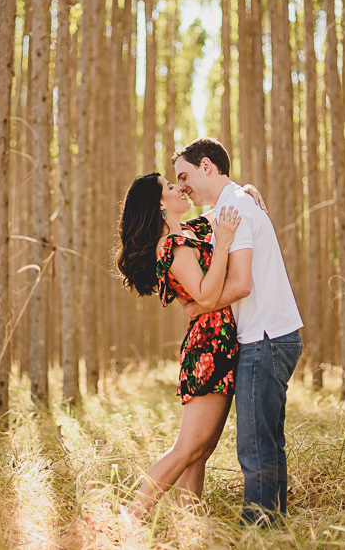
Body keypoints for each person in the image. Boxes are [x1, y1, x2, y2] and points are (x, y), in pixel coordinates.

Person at [173, 137, 304, 526]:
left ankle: (258, 530)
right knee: (268, 441)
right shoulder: (230, 205)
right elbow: (178, 231)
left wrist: (199, 306)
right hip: (273, 335)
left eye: (185, 176)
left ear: (207, 166)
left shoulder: (235, 206)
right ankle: (273, 526)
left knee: (255, 445)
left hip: (264, 338)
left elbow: (242, 283)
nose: (182, 186)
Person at [116, 172, 242, 520]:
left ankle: (189, 527)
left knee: (200, 451)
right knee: (187, 448)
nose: (180, 189)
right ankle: (130, 518)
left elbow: (220, 213)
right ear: (160, 204)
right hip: (210, 348)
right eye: (171, 187)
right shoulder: (172, 246)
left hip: (217, 341)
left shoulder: (187, 232)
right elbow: (205, 295)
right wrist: (224, 245)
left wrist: (245, 191)